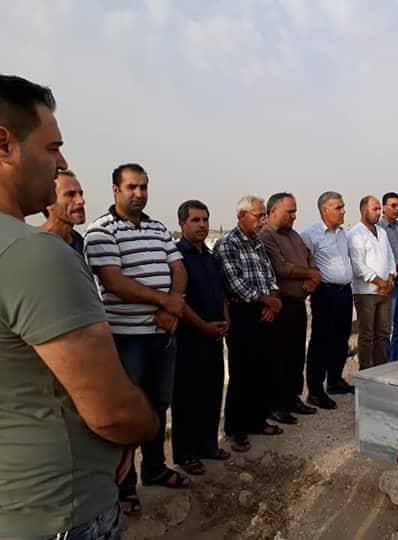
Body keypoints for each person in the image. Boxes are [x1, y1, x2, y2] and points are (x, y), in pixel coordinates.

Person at [0, 74, 158, 539]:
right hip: (57, 510)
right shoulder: (33, 253)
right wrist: (142, 428)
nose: (63, 163)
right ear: (4, 144)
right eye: (52, 148)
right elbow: (112, 411)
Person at [85, 162, 189, 515]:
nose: (139, 193)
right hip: (127, 338)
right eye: (131, 187)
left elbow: (178, 268)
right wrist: (165, 302)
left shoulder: (158, 228)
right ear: (116, 190)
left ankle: (155, 467)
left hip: (163, 333)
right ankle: (124, 486)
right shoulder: (101, 230)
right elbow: (114, 282)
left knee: (159, 404)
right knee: (129, 411)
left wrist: (173, 306)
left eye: (143, 186)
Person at [215, 195, 284, 446]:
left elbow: (270, 276)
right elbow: (234, 283)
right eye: (259, 215)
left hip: (265, 312)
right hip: (243, 314)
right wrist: (267, 300)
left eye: (264, 215)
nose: (263, 220)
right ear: (242, 216)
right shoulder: (228, 244)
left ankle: (258, 420)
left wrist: (273, 302)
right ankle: (236, 428)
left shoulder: (258, 244)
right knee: (242, 371)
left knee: (263, 369)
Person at [171, 200, 230, 476]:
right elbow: (179, 302)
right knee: (187, 396)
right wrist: (203, 326)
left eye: (205, 219)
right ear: (182, 223)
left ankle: (208, 445)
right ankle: (186, 453)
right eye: (195, 220)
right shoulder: (176, 258)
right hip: (189, 337)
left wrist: (226, 318)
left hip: (214, 336)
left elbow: (221, 292)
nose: (202, 225)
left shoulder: (209, 256)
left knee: (212, 391)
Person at [259, 192, 320, 420]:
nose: (294, 216)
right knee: (278, 357)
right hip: (280, 306)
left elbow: (309, 258)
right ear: (273, 211)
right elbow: (281, 268)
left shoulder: (294, 235)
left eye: (295, 211)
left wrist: (313, 277)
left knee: (296, 355)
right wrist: (310, 273)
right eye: (290, 212)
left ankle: (293, 398)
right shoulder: (266, 236)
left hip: (298, 305)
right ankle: (276, 405)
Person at [302, 192, 355, 409]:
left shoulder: (343, 233)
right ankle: (315, 390)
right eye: (338, 207)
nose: (343, 211)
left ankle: (335, 380)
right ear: (325, 210)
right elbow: (305, 263)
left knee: (341, 339)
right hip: (325, 293)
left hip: (344, 292)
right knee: (321, 341)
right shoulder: (310, 234)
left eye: (343, 207)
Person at [348, 196, 396, 370]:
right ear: (363, 210)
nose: (379, 212)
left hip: (385, 291)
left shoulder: (381, 232)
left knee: (383, 333)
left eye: (379, 209)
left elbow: (390, 257)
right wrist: (380, 282)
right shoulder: (355, 234)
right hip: (366, 292)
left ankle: (380, 369)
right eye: (375, 209)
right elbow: (358, 266)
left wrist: (389, 279)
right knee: (367, 334)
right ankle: (366, 371)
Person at [379, 192, 398, 362]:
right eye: (393, 205)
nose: (396, 209)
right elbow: (383, 257)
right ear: (384, 207)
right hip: (389, 283)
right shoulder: (379, 229)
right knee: (387, 327)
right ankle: (386, 363)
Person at [40, 169, 86, 255]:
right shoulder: (36, 243)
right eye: (70, 194)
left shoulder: (81, 243)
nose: (81, 201)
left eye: (81, 194)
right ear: (49, 202)